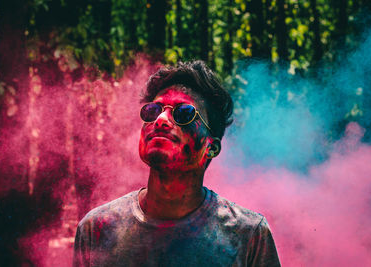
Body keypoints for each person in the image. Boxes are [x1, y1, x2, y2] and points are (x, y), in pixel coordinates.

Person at [73, 61, 281, 267]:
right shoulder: (97, 229)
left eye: (183, 114)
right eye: (153, 111)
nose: (161, 119)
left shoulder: (249, 235)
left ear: (211, 147)